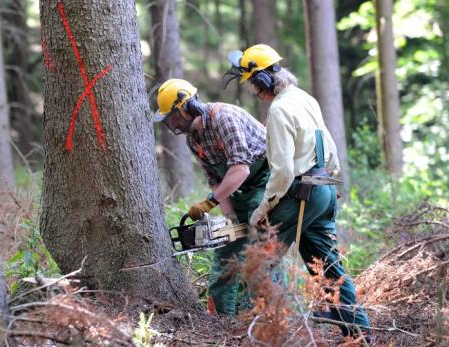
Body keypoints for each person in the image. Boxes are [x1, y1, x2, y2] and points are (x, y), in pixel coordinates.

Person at [224, 44, 371, 339]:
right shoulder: (304, 98)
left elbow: (282, 173)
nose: (254, 91)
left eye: (253, 84)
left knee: (260, 262)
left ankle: (269, 332)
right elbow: (327, 144)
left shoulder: (279, 111)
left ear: (262, 80)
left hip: (300, 192)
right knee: (327, 264)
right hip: (323, 186)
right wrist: (333, 180)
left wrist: (261, 209)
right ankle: (359, 333)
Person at [154, 78, 269, 315]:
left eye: (173, 116)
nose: (172, 123)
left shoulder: (223, 118)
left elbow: (241, 168)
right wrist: (231, 220)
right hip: (236, 190)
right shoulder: (192, 139)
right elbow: (216, 180)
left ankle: (258, 317)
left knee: (259, 249)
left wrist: (209, 202)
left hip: (264, 184)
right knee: (226, 250)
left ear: (187, 106)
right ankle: (220, 318)